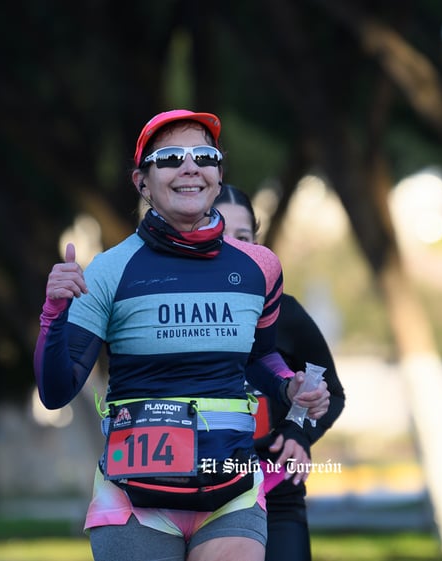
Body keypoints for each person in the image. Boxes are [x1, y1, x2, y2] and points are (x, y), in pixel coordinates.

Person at [34, 109, 330, 561]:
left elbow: (259, 358)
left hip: (232, 489)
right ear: (142, 182)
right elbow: (56, 391)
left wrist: (290, 386)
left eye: (204, 155)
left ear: (217, 175)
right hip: (136, 499)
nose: (190, 166)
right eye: (170, 157)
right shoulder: (111, 270)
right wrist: (54, 314)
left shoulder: (260, 267)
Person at [214, 184, 346, 561]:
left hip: (277, 488)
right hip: (200, 492)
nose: (234, 246)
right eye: (222, 234)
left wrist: (297, 433)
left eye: (244, 236)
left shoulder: (284, 312)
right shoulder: (185, 313)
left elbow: (331, 392)